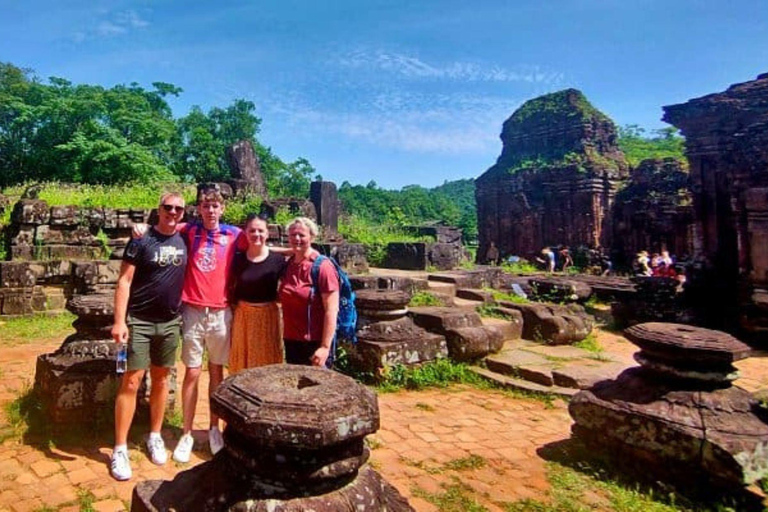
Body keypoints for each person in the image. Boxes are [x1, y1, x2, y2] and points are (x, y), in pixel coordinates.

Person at [110, 192, 187, 481]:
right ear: (159, 209)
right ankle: (119, 447)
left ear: (183, 213)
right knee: (131, 380)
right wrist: (119, 321)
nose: (173, 212)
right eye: (168, 207)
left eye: (178, 208)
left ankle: (155, 434)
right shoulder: (141, 239)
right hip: (140, 321)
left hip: (169, 323)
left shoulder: (186, 239)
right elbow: (124, 280)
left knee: (163, 379)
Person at [172, 185, 242, 463]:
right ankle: (187, 432)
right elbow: (163, 229)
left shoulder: (233, 235)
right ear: (199, 209)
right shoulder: (189, 231)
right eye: (205, 206)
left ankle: (214, 428)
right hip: (192, 310)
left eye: (215, 206)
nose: (210, 211)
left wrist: (299, 251)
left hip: (220, 312)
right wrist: (141, 228)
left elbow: (261, 244)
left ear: (222, 209)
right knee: (191, 373)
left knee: (216, 373)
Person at [227, 214, 287, 373]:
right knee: (241, 363)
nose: (256, 235)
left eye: (261, 231)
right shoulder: (238, 260)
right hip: (243, 317)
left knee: (268, 364)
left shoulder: (278, 261)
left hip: (268, 317)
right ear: (245, 233)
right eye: (252, 230)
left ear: (268, 233)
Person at [278, 217, 339, 368]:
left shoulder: (322, 267)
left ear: (312, 236)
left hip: (315, 342)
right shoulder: (288, 265)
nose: (297, 239)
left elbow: (331, 310)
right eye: (292, 235)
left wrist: (325, 347)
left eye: (302, 235)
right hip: (291, 340)